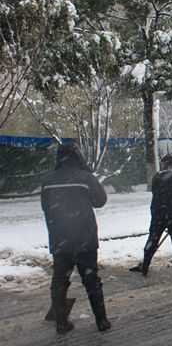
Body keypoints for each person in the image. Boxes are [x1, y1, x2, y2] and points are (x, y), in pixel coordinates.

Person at [40, 143, 110, 334]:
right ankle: (101, 321)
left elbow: (46, 207)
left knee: (60, 281)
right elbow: (100, 201)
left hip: (60, 238)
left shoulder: (48, 180)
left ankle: (61, 322)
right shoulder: (85, 178)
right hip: (84, 238)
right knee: (91, 280)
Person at [131, 154, 172, 282]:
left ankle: (145, 266)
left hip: (158, 213)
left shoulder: (157, 176)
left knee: (153, 239)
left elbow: (156, 194)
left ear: (164, 164)